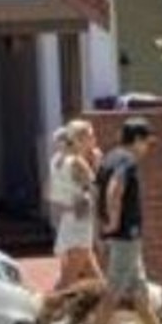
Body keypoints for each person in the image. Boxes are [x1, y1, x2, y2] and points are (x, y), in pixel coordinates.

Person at [81, 117, 162, 324]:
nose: (148, 148)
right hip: (126, 235)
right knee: (114, 290)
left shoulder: (108, 158)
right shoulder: (127, 160)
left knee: (139, 292)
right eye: (147, 142)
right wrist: (115, 221)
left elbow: (93, 193)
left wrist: (100, 230)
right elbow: (114, 190)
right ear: (137, 140)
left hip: (122, 237)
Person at [52, 120, 104, 293]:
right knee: (67, 280)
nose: (94, 139)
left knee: (94, 277)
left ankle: (109, 313)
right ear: (81, 139)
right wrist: (96, 164)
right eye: (91, 135)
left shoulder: (57, 159)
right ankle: (44, 310)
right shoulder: (77, 162)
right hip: (80, 221)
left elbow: (48, 192)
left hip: (69, 218)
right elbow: (96, 189)